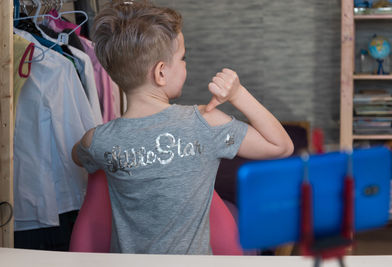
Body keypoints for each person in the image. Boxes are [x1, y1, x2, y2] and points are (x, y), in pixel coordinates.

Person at [72, 0, 293, 255]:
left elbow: (77, 155)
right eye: (183, 58)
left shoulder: (98, 141)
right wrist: (238, 93)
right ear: (161, 73)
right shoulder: (204, 123)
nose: (186, 64)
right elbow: (281, 146)